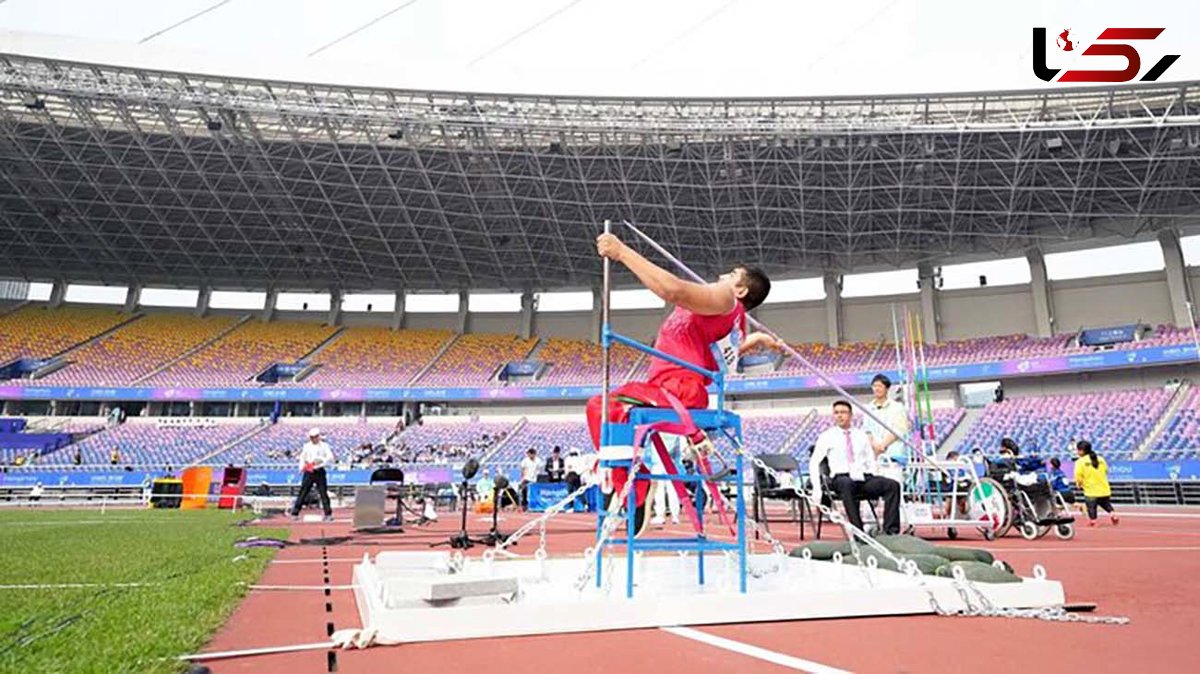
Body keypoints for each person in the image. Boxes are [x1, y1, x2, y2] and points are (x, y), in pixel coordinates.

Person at [587, 230, 775, 535]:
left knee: (602, 406)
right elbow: (718, 362)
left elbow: (672, 290)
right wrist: (754, 340)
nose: (721, 275)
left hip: (678, 387)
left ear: (740, 290)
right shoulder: (730, 317)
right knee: (604, 409)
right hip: (670, 385)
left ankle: (633, 485)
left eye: (730, 275)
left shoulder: (725, 298)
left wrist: (621, 252)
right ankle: (629, 481)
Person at [809, 400, 901, 535]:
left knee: (893, 485)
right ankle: (858, 532)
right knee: (847, 484)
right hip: (841, 478)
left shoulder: (861, 435)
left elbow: (870, 459)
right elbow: (814, 462)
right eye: (836, 413)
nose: (839, 416)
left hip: (862, 477)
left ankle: (890, 531)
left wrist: (873, 476)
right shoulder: (827, 436)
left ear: (851, 415)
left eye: (843, 412)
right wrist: (817, 489)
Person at [289, 427, 334, 522]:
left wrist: (320, 462)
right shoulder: (306, 446)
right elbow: (302, 457)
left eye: (315, 437)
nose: (313, 439)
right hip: (309, 470)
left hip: (319, 470)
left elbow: (330, 457)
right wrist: (301, 467)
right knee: (303, 491)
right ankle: (295, 512)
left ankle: (328, 514)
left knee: (323, 492)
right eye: (312, 437)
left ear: (318, 436)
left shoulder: (324, 446)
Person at [863, 374, 910, 462]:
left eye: (880, 386)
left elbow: (898, 430)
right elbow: (867, 431)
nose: (877, 389)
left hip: (893, 453)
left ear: (887, 388)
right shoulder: (868, 408)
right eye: (874, 386)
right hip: (874, 455)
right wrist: (874, 446)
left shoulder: (897, 407)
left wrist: (882, 445)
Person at [1074, 440, 1118, 526]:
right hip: (1104, 488)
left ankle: (1093, 521)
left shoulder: (1080, 462)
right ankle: (1113, 514)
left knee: (1091, 507)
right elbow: (1106, 471)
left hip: (1091, 490)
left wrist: (1079, 484)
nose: (1077, 452)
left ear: (1082, 451)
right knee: (1105, 504)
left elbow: (1078, 475)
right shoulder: (1101, 459)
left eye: (1078, 450)